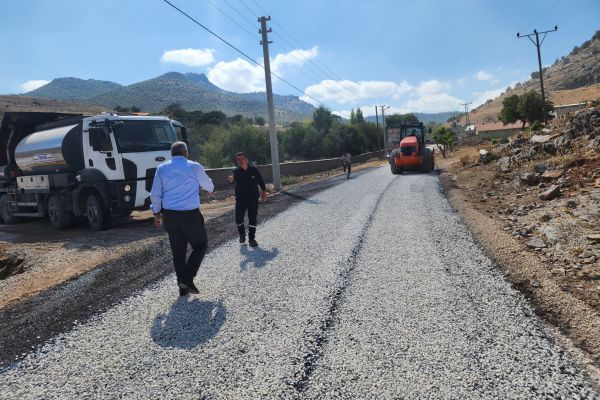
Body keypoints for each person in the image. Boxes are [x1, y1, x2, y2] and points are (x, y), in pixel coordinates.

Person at [150, 141, 214, 296]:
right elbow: (210, 187)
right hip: (190, 215)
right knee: (200, 245)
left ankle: (183, 289)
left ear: (171, 154)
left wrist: (156, 214)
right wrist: (207, 189)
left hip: (170, 216)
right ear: (186, 152)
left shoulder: (162, 168)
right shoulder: (193, 166)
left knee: (178, 252)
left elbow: (155, 194)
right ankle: (187, 278)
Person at [227, 152, 267, 247]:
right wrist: (230, 180)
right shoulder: (235, 171)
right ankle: (242, 234)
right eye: (238, 159)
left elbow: (261, 182)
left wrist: (264, 194)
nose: (239, 161)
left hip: (253, 199)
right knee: (238, 219)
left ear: (246, 160)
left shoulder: (254, 170)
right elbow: (231, 181)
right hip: (240, 200)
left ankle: (252, 239)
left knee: (252, 218)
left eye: (241, 159)